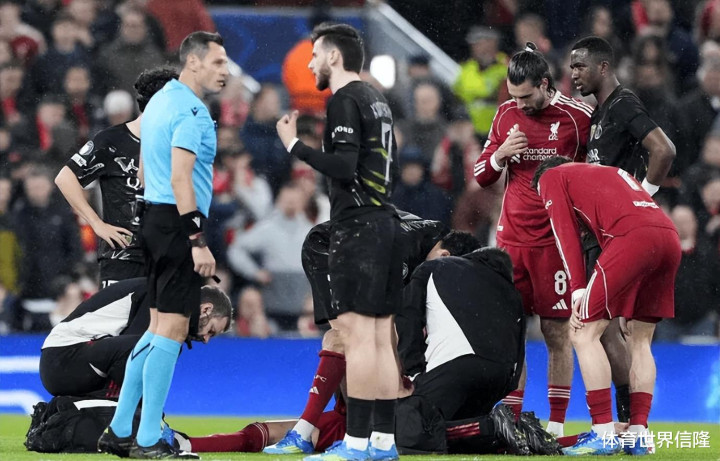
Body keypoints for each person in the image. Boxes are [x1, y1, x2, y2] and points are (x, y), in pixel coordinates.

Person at [98, 31, 228, 460]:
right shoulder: (191, 111)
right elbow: (180, 177)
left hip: (153, 220)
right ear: (193, 62)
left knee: (155, 329)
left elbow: (142, 167)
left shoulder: (159, 102)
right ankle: (149, 437)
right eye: (217, 62)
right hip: (176, 224)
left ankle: (120, 430)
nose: (225, 71)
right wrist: (197, 240)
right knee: (171, 332)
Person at [275, 23, 402, 461]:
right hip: (386, 223)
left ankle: (357, 443)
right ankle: (383, 442)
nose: (310, 63)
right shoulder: (377, 99)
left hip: (359, 228)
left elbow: (344, 167)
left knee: (358, 337)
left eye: (314, 54)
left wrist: (295, 146)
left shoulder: (345, 99)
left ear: (333, 56)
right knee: (381, 338)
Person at [473, 43, 592, 437]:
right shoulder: (506, 114)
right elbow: (481, 176)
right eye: (513, 96)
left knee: (558, 333)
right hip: (512, 243)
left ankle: (556, 426)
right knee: (513, 335)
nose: (519, 104)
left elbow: (596, 176)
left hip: (557, 244)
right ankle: (512, 422)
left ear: (544, 83)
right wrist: (500, 155)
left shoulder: (578, 118)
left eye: (525, 96)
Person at [532, 157, 681, 456]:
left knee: (583, 332)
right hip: (668, 236)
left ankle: (602, 432)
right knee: (640, 340)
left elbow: (565, 235)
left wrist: (577, 290)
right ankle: (638, 434)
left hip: (631, 238)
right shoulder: (611, 173)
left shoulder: (551, 177)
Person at [569, 35, 676, 422]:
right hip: (607, 232)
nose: (573, 73)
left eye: (580, 66)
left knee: (592, 330)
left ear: (603, 67)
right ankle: (633, 425)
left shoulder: (623, 103)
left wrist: (644, 195)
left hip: (617, 233)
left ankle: (610, 425)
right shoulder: (599, 114)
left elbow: (663, 149)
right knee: (622, 333)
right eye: (571, 67)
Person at [55, 67, 179, 287]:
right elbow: (65, 178)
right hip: (123, 259)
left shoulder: (176, 145)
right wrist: (97, 223)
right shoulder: (111, 140)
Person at [40, 278, 232, 398]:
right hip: (63, 356)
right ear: (206, 309)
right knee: (155, 346)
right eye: (211, 331)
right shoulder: (163, 296)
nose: (206, 340)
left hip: (67, 360)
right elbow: (136, 355)